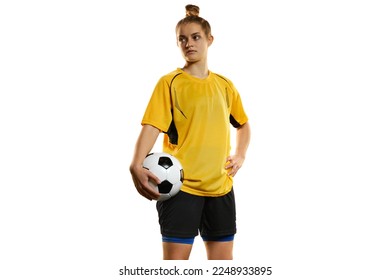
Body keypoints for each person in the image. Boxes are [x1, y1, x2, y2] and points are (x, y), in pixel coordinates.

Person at [129, 4, 251, 260]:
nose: (189, 43)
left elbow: (243, 124)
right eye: (182, 39)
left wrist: (240, 155)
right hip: (181, 188)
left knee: (223, 268)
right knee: (175, 267)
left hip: (221, 187)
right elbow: (152, 125)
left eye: (195, 37)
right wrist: (135, 164)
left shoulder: (225, 85)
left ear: (210, 39)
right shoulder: (170, 82)